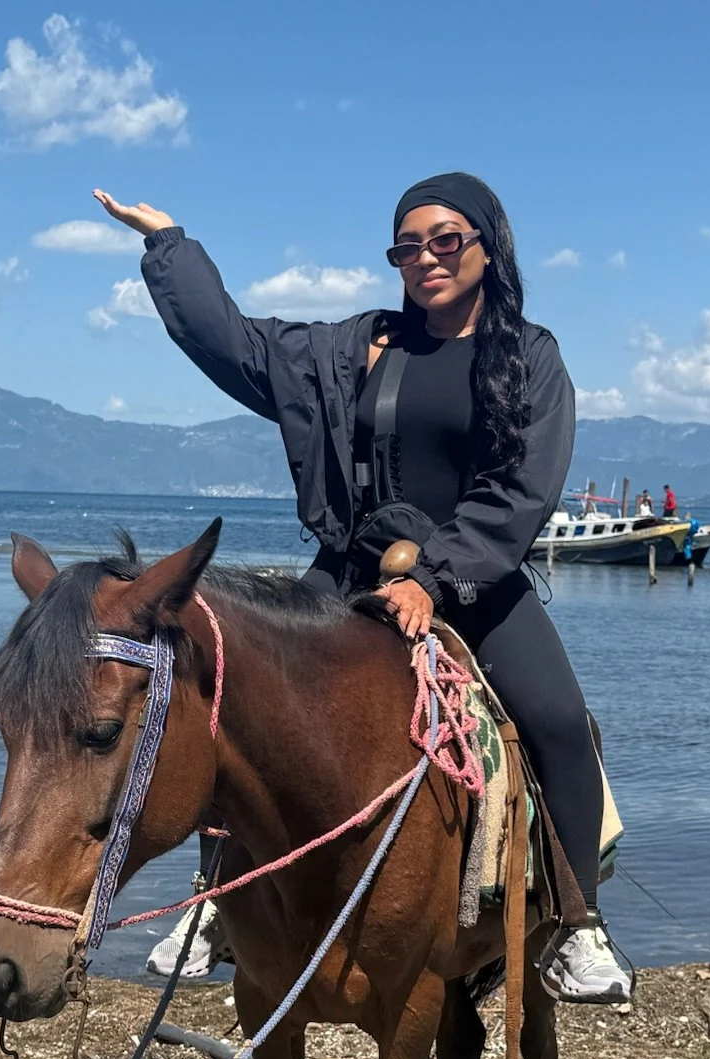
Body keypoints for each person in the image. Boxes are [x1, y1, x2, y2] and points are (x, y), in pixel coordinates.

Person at [98, 172, 633, 1002]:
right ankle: (218, 903)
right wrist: (168, 247)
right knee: (233, 698)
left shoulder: (528, 356)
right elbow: (236, 345)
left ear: (489, 247)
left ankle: (577, 925)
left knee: (561, 725)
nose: (426, 258)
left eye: (446, 240)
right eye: (407, 246)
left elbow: (521, 492)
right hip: (350, 572)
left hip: (475, 577)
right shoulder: (356, 349)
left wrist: (436, 576)